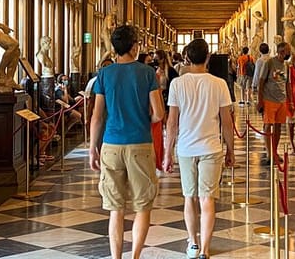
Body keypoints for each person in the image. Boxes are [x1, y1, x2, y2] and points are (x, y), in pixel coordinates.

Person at [89, 25, 165, 259]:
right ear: (134, 47)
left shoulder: (104, 74)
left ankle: (116, 257)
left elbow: (97, 117)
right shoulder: (147, 73)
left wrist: (92, 148)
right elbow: (159, 113)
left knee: (115, 209)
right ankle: (135, 256)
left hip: (111, 145)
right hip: (140, 144)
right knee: (143, 206)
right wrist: (143, 119)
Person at [163, 39, 235, 259]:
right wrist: (230, 150)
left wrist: (167, 153)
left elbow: (172, 122)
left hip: (186, 148)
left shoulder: (177, 84)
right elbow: (227, 122)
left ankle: (193, 243)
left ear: (186, 58)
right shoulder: (219, 84)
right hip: (211, 147)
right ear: (208, 57)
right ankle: (205, 249)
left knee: (190, 197)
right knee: (207, 199)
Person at [257, 42, 292, 165]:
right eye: (287, 51)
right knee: (268, 126)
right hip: (269, 99)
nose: (288, 53)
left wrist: (290, 101)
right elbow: (261, 82)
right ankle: (269, 153)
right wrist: (260, 100)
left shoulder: (286, 65)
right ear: (280, 52)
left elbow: (287, 84)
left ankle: (275, 151)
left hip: (282, 100)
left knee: (278, 127)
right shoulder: (269, 63)